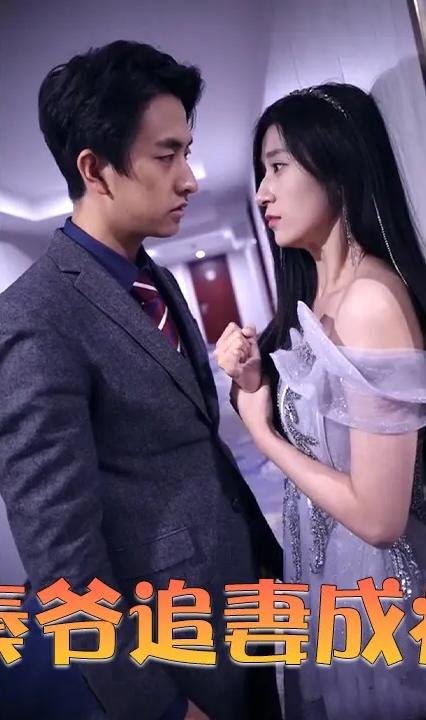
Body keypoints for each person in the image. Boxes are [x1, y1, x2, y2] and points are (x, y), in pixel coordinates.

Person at [0, 40, 283, 720]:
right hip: (172, 652)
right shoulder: (35, 316)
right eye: (166, 155)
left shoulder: (150, 277)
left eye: (187, 152)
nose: (188, 179)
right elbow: (62, 560)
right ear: (95, 169)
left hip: (238, 598)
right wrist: (155, 706)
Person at [215, 82, 426, 720]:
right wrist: (257, 382)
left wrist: (262, 436)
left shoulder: (368, 301)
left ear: (335, 165)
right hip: (331, 573)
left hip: (381, 589)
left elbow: (380, 517)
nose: (263, 193)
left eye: (278, 167)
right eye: (263, 172)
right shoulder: (320, 296)